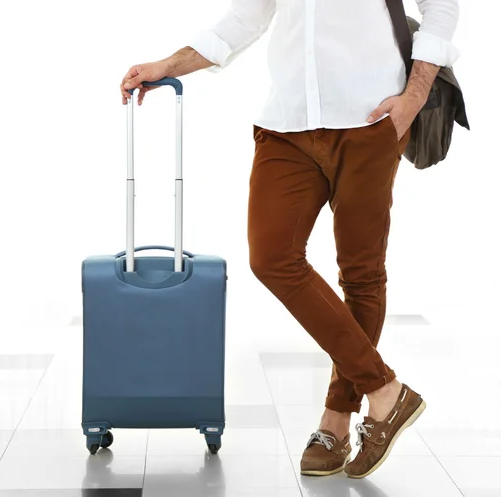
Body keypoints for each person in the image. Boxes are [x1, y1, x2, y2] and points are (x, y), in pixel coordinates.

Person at [120, 0, 460, 479]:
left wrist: (416, 94)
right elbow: (245, 18)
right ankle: (386, 392)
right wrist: (168, 65)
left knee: (361, 274)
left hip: (370, 121)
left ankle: (336, 420)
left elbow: (442, 6)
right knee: (272, 256)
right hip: (287, 126)